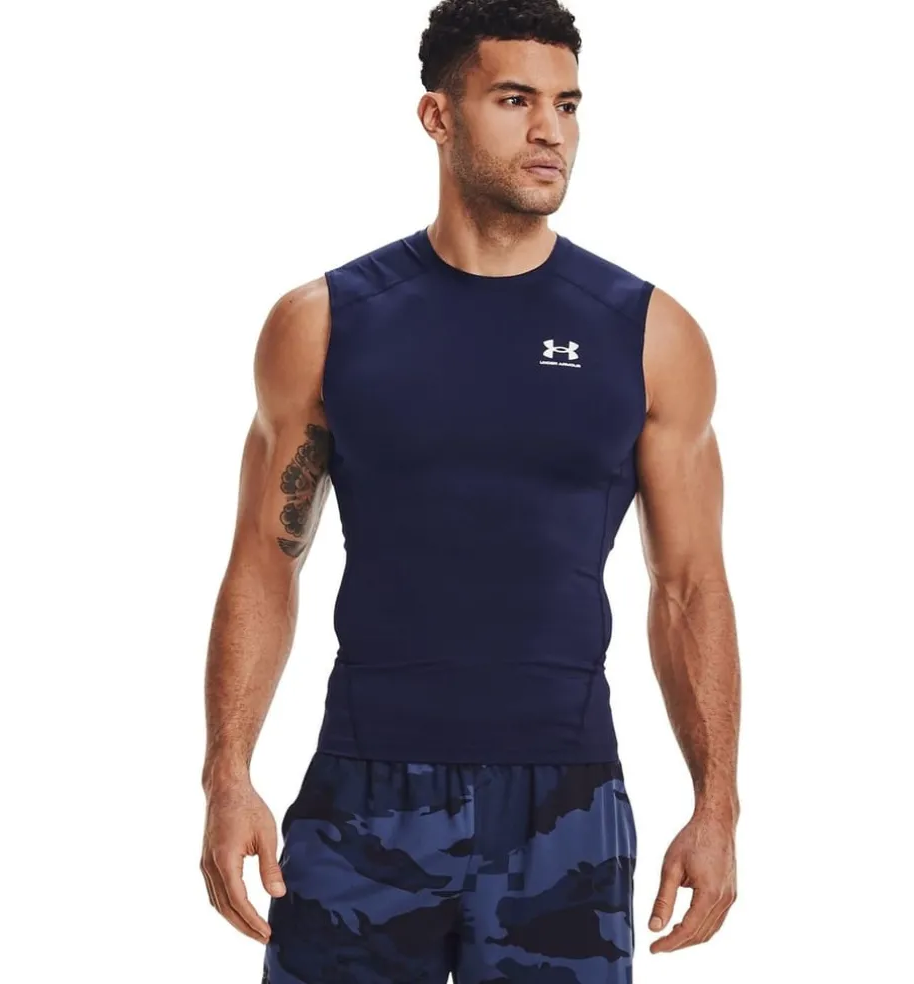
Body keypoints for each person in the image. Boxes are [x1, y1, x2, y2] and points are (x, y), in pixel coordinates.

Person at [200, 1, 741, 980]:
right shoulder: (326, 323)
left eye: (568, 104)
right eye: (515, 99)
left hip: (565, 802)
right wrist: (226, 774)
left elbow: (690, 584)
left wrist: (717, 806)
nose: (551, 131)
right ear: (438, 116)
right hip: (363, 793)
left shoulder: (648, 334)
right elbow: (266, 563)